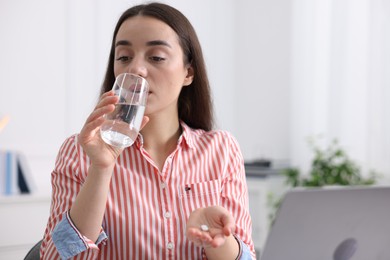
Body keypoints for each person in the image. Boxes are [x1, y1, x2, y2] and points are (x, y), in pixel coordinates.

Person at [40, 2, 255, 259]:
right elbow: (54, 256)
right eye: (124, 57)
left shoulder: (221, 149)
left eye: (156, 57)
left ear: (188, 72)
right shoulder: (79, 150)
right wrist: (100, 169)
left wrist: (214, 238)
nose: (136, 69)